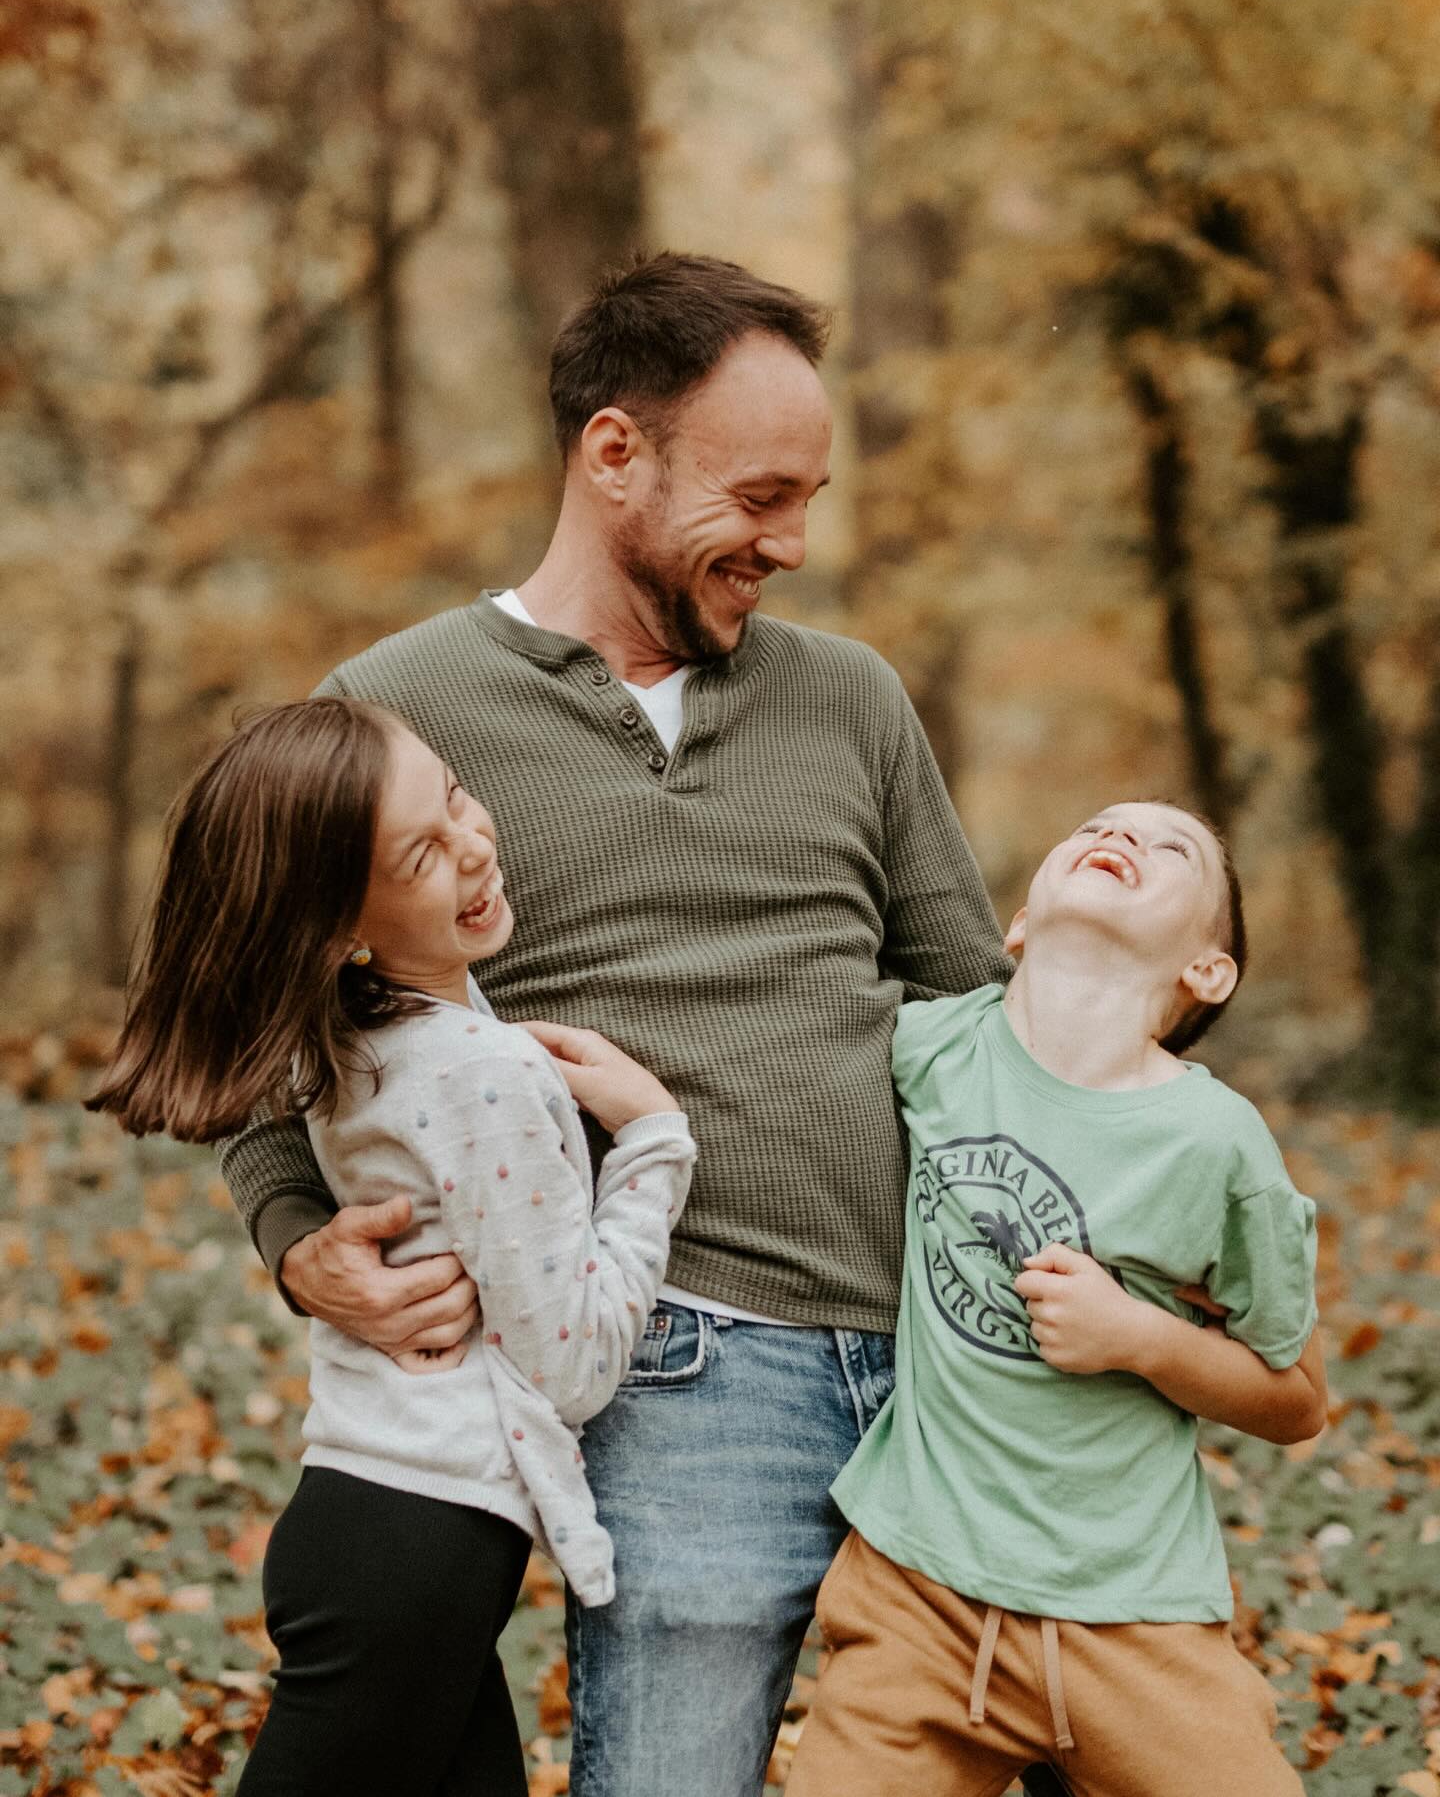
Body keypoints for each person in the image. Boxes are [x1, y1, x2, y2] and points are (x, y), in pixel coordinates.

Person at [216, 253, 1229, 1796]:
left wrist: (1158, 1206)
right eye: (759, 495)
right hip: (684, 1357)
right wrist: (297, 1233)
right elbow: (249, 1024)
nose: (795, 542)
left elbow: (985, 1005)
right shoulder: (400, 709)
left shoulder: (854, 698)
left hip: (965, 1348)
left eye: (809, 496)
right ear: (613, 452)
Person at [88, 697, 695, 1797]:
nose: (472, 843)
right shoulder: (475, 1069)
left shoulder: (362, 1041)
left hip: (382, 1524)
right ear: (343, 930)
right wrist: (652, 1144)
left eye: (457, 796)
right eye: (424, 849)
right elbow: (574, 1361)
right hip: (416, 1540)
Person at [786, 800, 1326, 1797]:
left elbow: (1296, 1395)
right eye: (1091, 825)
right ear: (1021, 924)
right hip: (921, 1600)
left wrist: (1142, 1337)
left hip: (1134, 1616)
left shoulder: (1215, 1142)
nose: (1118, 836)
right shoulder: (933, 1048)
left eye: (1170, 849)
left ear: (1205, 970)